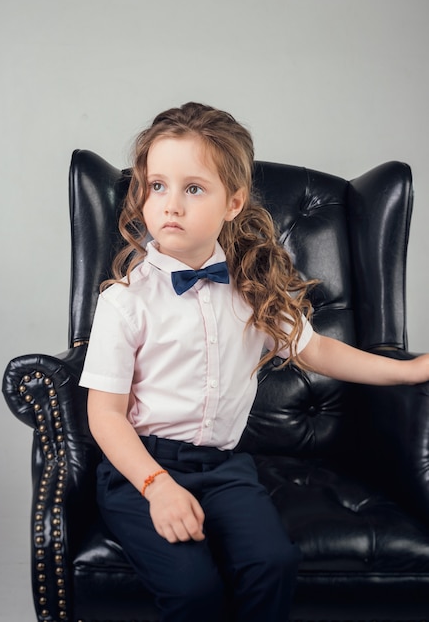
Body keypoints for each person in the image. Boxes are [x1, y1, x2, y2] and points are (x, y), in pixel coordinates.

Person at [79, 101, 429, 622]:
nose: (170, 204)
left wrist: (410, 370)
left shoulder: (251, 289)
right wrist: (159, 489)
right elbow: (105, 415)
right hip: (142, 469)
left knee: (272, 563)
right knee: (192, 590)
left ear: (233, 201)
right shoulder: (125, 300)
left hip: (223, 468)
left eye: (193, 188)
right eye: (157, 186)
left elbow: (315, 349)